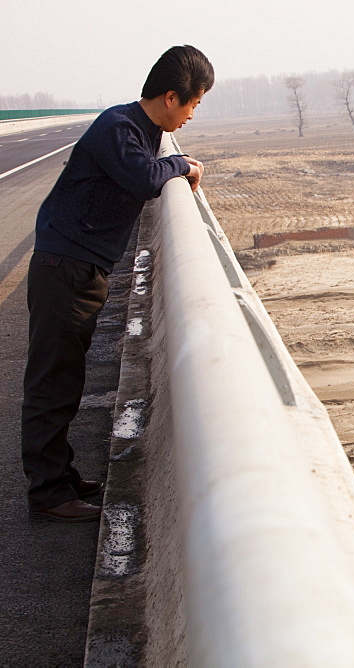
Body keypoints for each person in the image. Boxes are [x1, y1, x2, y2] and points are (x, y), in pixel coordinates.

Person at [22, 45, 214, 522]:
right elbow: (145, 178)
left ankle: (60, 478)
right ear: (171, 97)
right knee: (53, 381)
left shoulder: (139, 129)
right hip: (67, 268)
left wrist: (175, 160)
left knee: (65, 375)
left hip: (77, 266)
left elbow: (147, 170)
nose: (193, 114)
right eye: (194, 103)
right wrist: (183, 165)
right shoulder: (120, 127)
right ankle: (48, 494)